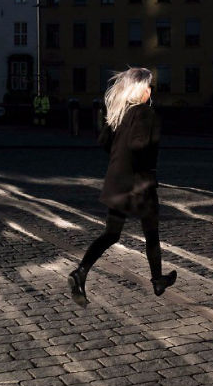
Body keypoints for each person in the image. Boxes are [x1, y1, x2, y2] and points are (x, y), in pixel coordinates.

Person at [68, 67, 176, 306]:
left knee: (111, 233)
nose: (150, 90)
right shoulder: (146, 114)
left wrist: (122, 158)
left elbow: (103, 141)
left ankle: (81, 272)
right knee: (151, 232)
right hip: (139, 183)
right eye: (148, 86)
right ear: (140, 89)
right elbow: (139, 145)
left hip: (117, 180)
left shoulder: (120, 112)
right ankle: (157, 279)